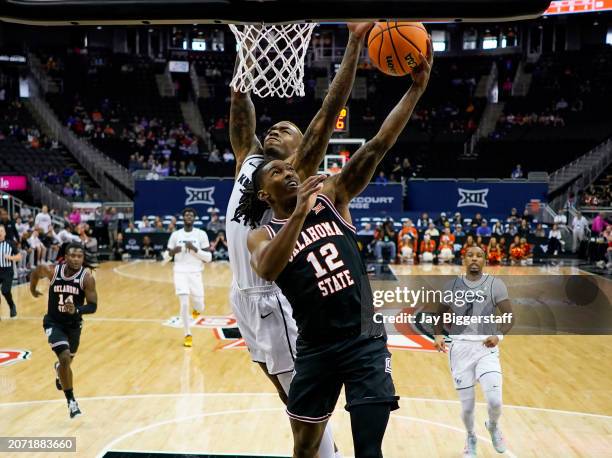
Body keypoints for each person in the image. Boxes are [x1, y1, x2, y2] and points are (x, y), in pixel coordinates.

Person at [243, 45, 431, 456]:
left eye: (291, 168)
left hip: (364, 337)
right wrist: (297, 217)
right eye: (277, 172)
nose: (288, 172)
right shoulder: (261, 234)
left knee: (369, 449)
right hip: (316, 346)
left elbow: (379, 143)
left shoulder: (333, 194)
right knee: (305, 450)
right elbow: (268, 270)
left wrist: (415, 90)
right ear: (263, 191)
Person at [225, 22, 375, 458]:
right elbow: (239, 97)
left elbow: (329, 111)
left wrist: (354, 43)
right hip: (242, 296)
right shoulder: (248, 162)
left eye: (287, 128)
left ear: (301, 146)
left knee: (304, 403)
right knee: (289, 399)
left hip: (276, 296)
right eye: (272, 127)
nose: (275, 130)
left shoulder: (298, 169)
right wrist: (248, 46)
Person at [434, 246, 514, 458]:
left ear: (485, 260)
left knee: (495, 401)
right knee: (467, 408)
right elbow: (440, 314)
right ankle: (470, 437)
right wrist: (438, 335)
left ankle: (493, 425)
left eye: (479, 255)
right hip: (460, 350)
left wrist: (499, 336)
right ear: (464, 259)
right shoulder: (452, 286)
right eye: (470, 255)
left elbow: (509, 316)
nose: (475, 259)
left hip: (486, 348)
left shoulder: (495, 285)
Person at [30, 243, 98, 418]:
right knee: (65, 358)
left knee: (66, 363)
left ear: (83, 259)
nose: (76, 259)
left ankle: (59, 369)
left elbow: (92, 306)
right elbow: (37, 271)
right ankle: (71, 402)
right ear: (65, 257)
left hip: (74, 325)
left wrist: (76, 310)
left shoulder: (87, 278)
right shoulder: (53, 271)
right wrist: (32, 289)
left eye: (80, 256)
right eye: (73, 256)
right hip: (54, 322)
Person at [166, 207, 212, 347]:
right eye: (186, 215)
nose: (189, 217)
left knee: (200, 306)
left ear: (194, 218)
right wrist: (174, 251)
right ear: (183, 218)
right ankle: (188, 334)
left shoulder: (201, 234)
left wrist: (194, 249)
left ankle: (196, 309)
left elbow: (209, 258)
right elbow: (164, 258)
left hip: (196, 273)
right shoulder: (175, 235)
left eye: (191, 215)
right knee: (184, 303)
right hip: (179, 272)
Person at [0, 225, 21, 318]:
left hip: (7, 271)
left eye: (1, 231)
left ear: (4, 233)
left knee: (5, 291)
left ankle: (12, 305)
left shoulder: (10, 243)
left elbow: (19, 256)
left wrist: (10, 257)